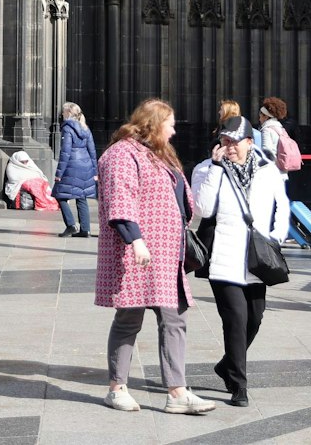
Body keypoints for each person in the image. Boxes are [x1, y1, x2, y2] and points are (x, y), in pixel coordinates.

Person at [95, 99, 215, 416]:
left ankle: (177, 392)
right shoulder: (122, 153)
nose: (174, 130)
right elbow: (121, 198)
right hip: (138, 253)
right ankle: (116, 388)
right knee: (129, 320)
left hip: (165, 253)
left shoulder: (158, 154)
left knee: (174, 318)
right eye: (170, 123)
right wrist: (135, 241)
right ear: (154, 122)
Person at [191, 116, 285, 407]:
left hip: (257, 258)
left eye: (234, 141)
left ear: (249, 142)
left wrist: (275, 238)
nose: (229, 147)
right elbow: (201, 208)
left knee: (254, 319)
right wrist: (216, 169)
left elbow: (282, 205)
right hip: (224, 257)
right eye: (224, 141)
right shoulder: (206, 169)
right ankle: (239, 385)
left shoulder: (268, 170)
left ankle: (226, 364)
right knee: (235, 320)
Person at [53, 102, 98, 238]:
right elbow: (92, 151)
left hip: (72, 166)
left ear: (68, 113)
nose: (61, 114)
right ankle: (85, 229)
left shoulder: (67, 128)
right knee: (81, 196)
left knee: (60, 195)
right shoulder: (85, 128)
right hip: (86, 166)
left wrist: (59, 173)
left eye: (63, 112)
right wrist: (95, 172)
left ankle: (71, 225)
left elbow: (65, 152)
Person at [252, 97, 289, 171]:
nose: (259, 119)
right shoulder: (281, 129)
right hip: (282, 170)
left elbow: (267, 153)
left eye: (260, 116)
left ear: (266, 116)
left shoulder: (267, 130)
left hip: (273, 172)